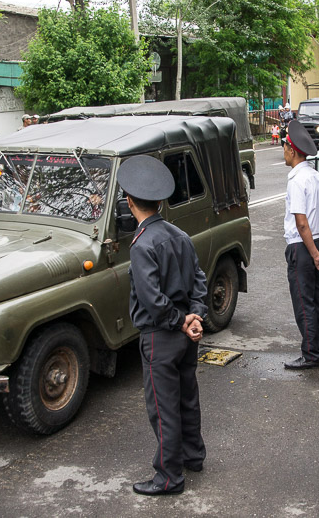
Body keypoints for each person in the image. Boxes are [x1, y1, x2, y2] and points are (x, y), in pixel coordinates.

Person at [116, 155, 207, 497]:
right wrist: (195, 316)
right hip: (186, 333)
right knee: (186, 398)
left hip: (161, 335)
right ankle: (193, 456)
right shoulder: (178, 234)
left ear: (130, 202)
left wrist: (180, 321)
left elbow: (152, 299)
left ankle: (169, 476)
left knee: (163, 408)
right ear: (158, 201)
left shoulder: (142, 244)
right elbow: (199, 278)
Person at [282, 120, 319, 369]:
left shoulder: (296, 180)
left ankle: (310, 354)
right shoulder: (317, 177)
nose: (283, 151)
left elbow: (301, 222)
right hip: (313, 244)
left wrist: (313, 254)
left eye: (284, 147)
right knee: (318, 301)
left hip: (302, 247)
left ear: (292, 150)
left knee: (304, 304)